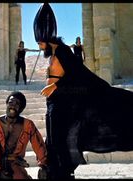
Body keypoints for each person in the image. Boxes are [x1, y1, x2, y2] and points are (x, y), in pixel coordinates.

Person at [34, 3, 133, 180]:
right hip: (54, 102)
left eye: (40, 43)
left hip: (62, 100)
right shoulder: (55, 52)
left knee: (61, 137)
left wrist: (54, 86)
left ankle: (62, 171)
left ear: (47, 40)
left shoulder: (63, 51)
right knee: (54, 138)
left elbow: (76, 74)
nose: (40, 47)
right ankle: (55, 169)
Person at [0, 91, 48, 179]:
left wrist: (43, 165)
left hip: (15, 161)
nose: (13, 106)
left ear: (21, 108)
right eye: (11, 102)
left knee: (20, 177)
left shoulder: (28, 125)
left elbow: (39, 145)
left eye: (17, 104)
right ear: (6, 104)